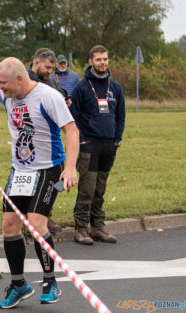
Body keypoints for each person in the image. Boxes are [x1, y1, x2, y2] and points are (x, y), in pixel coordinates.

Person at [0, 37, 79, 308]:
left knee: (38, 225)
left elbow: (71, 130)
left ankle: (50, 281)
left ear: (19, 78)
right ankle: (19, 284)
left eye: (3, 83)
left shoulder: (48, 96)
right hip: (21, 170)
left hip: (49, 168)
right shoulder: (7, 93)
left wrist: (71, 168)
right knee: (9, 226)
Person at [70, 45, 125, 245]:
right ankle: (81, 229)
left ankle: (98, 227)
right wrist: (82, 139)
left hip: (108, 146)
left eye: (105, 59)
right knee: (87, 188)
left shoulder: (115, 87)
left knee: (100, 189)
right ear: (90, 62)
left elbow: (120, 116)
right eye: (98, 59)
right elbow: (72, 117)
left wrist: (116, 139)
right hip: (88, 146)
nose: (103, 62)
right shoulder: (82, 88)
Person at [27, 48, 69, 234]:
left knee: (55, 183)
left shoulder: (49, 80)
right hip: (32, 139)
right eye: (47, 67)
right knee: (32, 182)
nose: (50, 71)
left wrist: (65, 99)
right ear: (36, 62)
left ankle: (46, 216)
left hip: (52, 138)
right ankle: (30, 219)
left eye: (52, 68)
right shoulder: (25, 80)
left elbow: (59, 93)